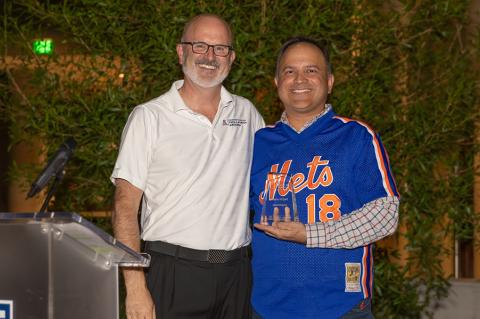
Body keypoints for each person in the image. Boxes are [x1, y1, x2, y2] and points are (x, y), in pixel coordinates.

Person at [111, 14, 264, 319]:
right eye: (200, 45)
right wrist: (136, 288)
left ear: (231, 58)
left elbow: (270, 185)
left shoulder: (247, 114)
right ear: (181, 51)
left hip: (237, 275)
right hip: (172, 273)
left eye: (220, 48)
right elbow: (124, 208)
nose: (210, 56)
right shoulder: (149, 117)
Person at [249, 36, 400, 318]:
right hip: (267, 307)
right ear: (276, 83)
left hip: (341, 307)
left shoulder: (356, 136)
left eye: (311, 70)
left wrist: (309, 234)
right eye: (289, 71)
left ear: (329, 81)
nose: (299, 79)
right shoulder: (258, 142)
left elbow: (385, 214)